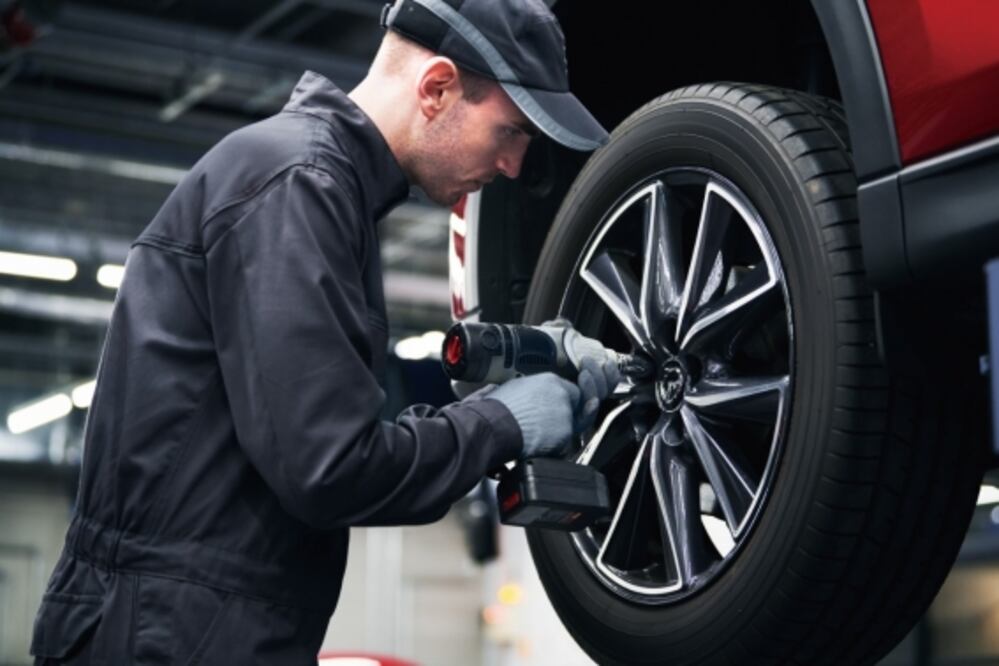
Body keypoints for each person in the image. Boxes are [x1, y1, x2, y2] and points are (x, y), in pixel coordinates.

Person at [29, 0, 612, 663]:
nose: (512, 166)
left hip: (191, 625)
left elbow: (325, 447)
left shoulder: (319, 186)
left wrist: (502, 402)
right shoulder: (298, 184)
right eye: (509, 132)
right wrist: (498, 423)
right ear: (437, 88)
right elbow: (329, 467)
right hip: (169, 636)